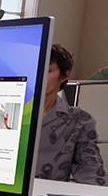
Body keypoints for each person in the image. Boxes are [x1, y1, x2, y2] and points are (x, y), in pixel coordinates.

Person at [36, 43, 106, 185]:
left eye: (47, 71)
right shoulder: (8, 112)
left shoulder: (79, 121)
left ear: (64, 75)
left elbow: (91, 173)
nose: (37, 76)